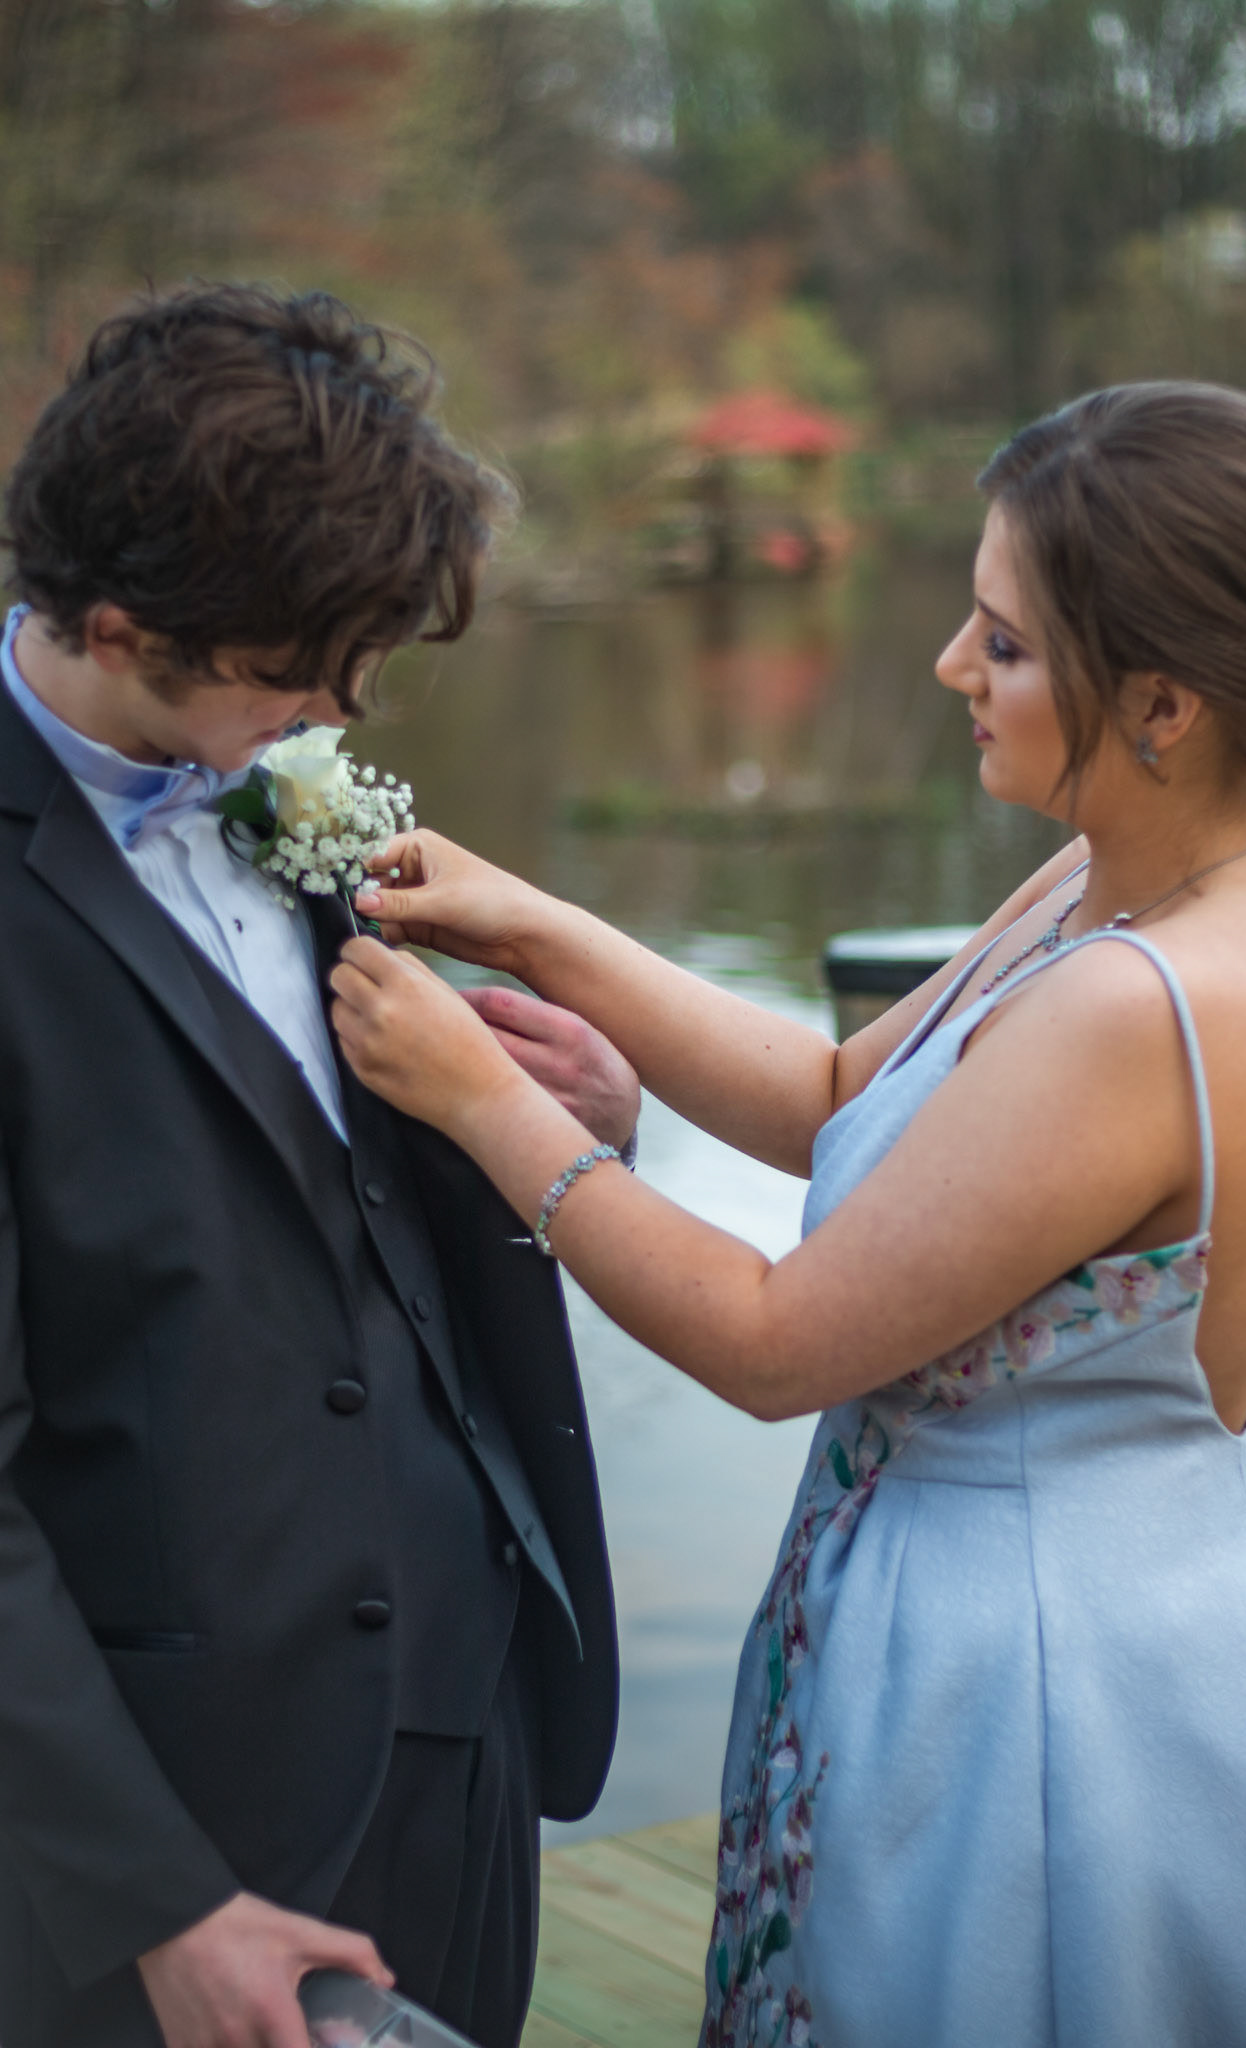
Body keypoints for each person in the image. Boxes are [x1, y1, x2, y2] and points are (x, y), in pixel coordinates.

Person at [330, 382, 1246, 2048]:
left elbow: (770, 1343)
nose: (951, 665)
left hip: (1044, 1712)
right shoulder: (1139, 870)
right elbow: (833, 1096)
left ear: (1162, 702)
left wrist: (478, 1101)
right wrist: (533, 927)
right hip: (1000, 1622)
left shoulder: (1141, 1002)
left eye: (1003, 645)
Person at [0, 283, 637, 2048]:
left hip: (466, 1728)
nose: (342, 704)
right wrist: (158, 1898)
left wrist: (563, 1120)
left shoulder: (271, 764)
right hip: (181, 1833)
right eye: (303, 669)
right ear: (121, 627)